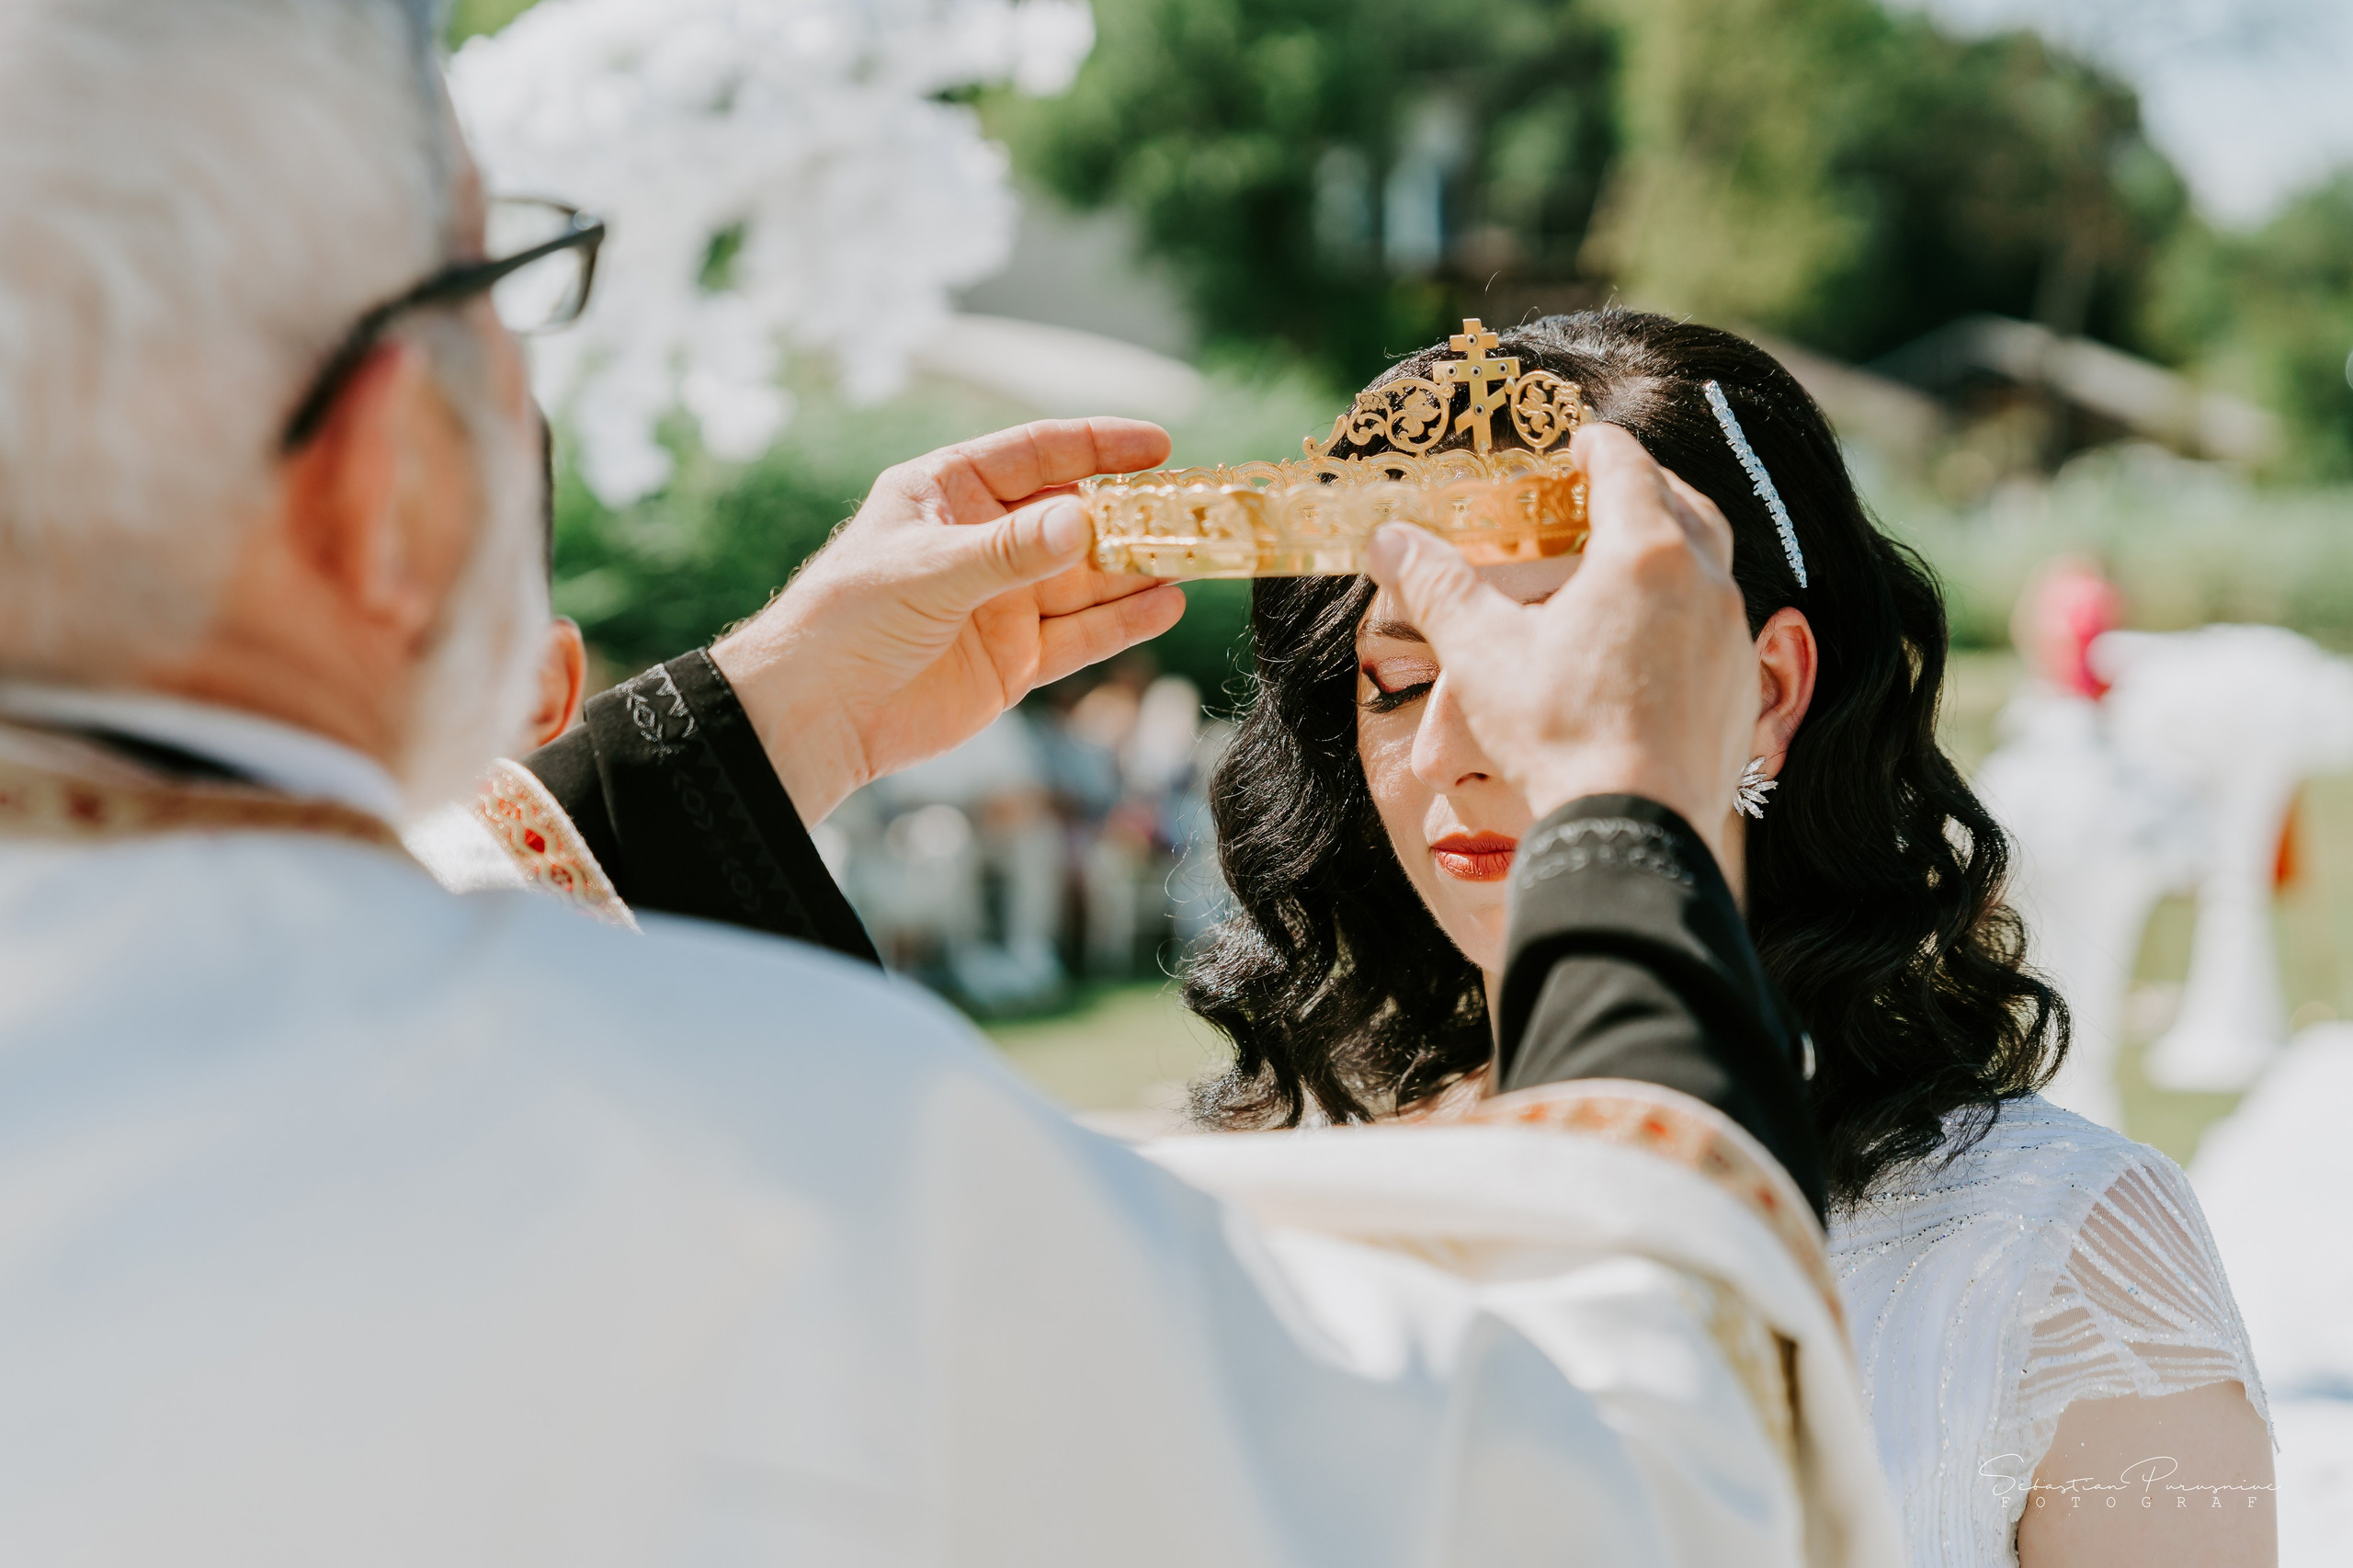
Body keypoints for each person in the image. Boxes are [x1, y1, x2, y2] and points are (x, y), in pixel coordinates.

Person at [0, 5, 1897, 1563]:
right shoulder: (792, 1162)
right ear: (381, 478)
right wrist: (1620, 811)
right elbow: (1614, 1487)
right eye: (505, 297)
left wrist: (742, 731)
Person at [1177, 312, 2277, 1568]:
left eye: (1541, 660)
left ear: (1767, 689)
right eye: (1398, 678)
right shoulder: (1280, 1178)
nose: (1444, 752)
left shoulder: (2061, 1257)